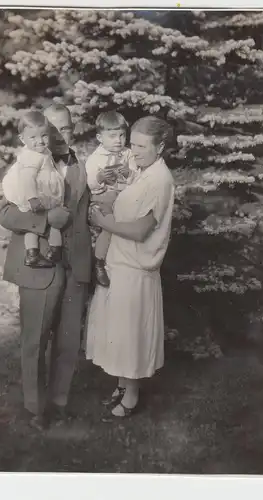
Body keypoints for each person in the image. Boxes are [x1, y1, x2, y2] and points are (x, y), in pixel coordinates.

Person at [0, 103, 92, 427]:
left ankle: (60, 402)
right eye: (51, 130)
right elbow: (6, 214)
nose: (58, 136)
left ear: (73, 130)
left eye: (65, 129)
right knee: (35, 341)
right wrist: (43, 220)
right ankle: (37, 410)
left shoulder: (85, 166)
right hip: (39, 266)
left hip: (74, 264)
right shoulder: (28, 163)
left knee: (68, 341)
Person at [86, 115, 175, 419]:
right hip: (119, 261)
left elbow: (141, 230)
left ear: (160, 146)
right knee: (119, 333)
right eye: (132, 143)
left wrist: (103, 222)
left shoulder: (160, 180)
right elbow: (120, 199)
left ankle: (132, 395)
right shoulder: (140, 170)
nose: (133, 151)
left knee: (130, 334)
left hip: (136, 268)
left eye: (140, 145)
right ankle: (123, 386)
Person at [2, 110, 64, 268]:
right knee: (36, 224)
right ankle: (39, 252)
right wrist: (32, 198)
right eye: (33, 137)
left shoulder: (43, 153)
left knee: (43, 223)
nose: (40, 142)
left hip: (43, 193)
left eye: (44, 136)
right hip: (36, 195)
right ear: (23, 139)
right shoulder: (30, 156)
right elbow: (27, 179)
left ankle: (46, 251)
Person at [86, 111, 138, 287]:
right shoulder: (95, 158)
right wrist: (100, 178)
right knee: (110, 226)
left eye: (122, 135)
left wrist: (128, 173)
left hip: (123, 199)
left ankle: (126, 261)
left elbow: (137, 178)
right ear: (100, 137)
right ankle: (99, 261)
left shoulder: (129, 154)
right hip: (103, 200)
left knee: (127, 226)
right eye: (112, 136)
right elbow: (90, 184)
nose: (118, 140)